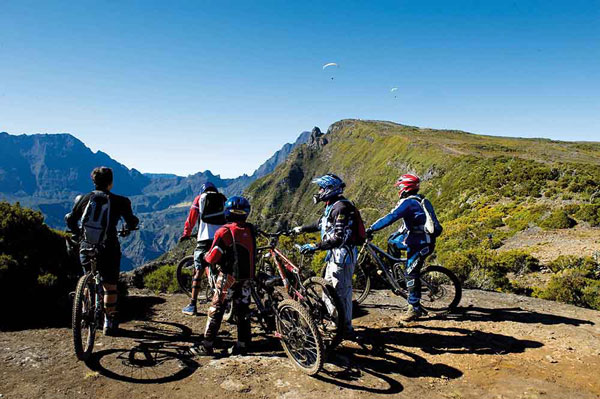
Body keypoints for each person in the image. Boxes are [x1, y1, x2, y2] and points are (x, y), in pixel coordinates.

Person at [65, 166, 139, 336]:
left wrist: (79, 233)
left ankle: (84, 310)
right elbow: (132, 221)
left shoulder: (83, 199)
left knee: (87, 279)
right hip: (108, 247)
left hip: (86, 246)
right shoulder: (120, 201)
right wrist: (129, 226)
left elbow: (71, 220)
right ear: (111, 183)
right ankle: (109, 321)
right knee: (110, 285)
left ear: (93, 181)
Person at [366, 173, 441, 322]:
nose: (399, 190)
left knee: (411, 272)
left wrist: (371, 229)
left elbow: (390, 217)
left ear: (406, 187)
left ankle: (414, 308)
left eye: (400, 187)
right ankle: (397, 275)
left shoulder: (408, 203)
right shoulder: (420, 200)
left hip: (421, 243)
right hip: (415, 238)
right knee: (392, 241)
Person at [293, 174, 359, 338]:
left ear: (330, 189)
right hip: (334, 255)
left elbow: (338, 237)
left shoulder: (341, 208)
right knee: (329, 289)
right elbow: (321, 224)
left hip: (343, 257)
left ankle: (346, 328)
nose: (319, 191)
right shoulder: (333, 205)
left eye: (322, 188)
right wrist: (302, 228)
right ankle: (337, 322)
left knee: (342, 292)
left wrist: (315, 246)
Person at [190, 196, 256, 356]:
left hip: (229, 277)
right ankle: (243, 344)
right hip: (247, 277)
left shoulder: (224, 231)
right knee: (243, 310)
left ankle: (207, 345)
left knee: (216, 308)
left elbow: (213, 257)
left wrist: (204, 257)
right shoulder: (251, 229)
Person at [179, 182, 227, 316]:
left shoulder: (199, 198)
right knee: (224, 265)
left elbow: (191, 219)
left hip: (204, 239)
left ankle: (192, 305)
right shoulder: (222, 198)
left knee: (198, 269)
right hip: (221, 237)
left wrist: (186, 234)